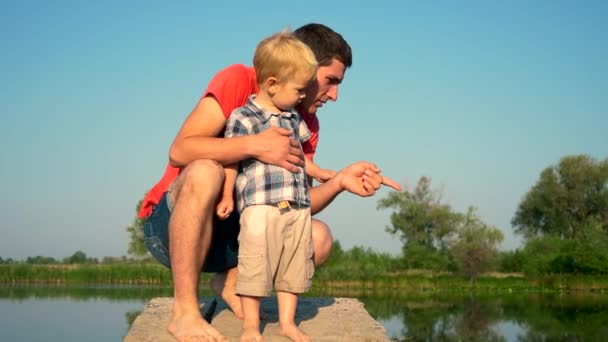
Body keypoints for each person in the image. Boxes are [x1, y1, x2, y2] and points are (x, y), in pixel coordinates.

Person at [139, 23, 401, 342]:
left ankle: (232, 280)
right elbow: (180, 150)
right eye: (330, 81)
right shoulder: (240, 79)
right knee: (206, 170)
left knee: (317, 236)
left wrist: (340, 182)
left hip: (235, 232)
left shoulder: (305, 122)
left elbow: (294, 200)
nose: (335, 95)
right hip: (170, 230)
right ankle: (185, 312)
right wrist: (255, 145)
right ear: (302, 65)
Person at [215, 30, 318, 342]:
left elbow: (300, 157)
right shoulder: (243, 118)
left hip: (297, 206)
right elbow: (232, 157)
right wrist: (226, 193)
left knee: (293, 267)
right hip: (260, 207)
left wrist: (322, 172)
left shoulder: (292, 119)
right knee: (255, 267)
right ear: (272, 84)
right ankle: (250, 326)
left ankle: (287, 323)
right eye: (299, 89)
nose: (304, 95)